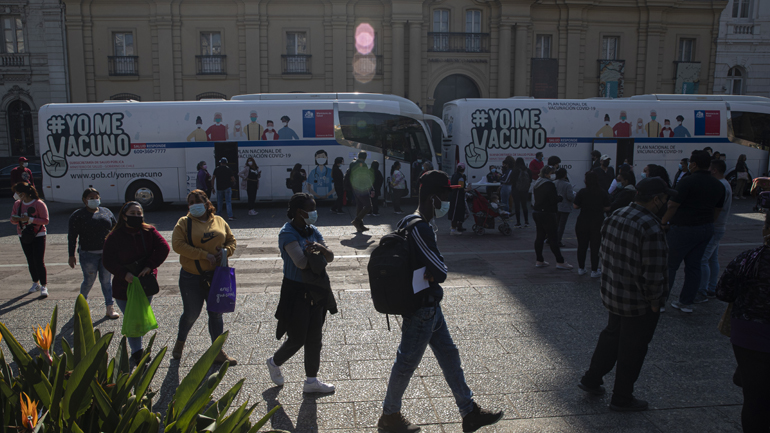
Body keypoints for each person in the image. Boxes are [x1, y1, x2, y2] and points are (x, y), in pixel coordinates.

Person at [377, 171, 503, 433]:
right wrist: (436, 266)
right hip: (422, 308)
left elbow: (431, 267)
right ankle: (389, 415)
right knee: (406, 362)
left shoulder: (407, 219)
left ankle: (469, 411)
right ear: (434, 198)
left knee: (449, 356)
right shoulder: (420, 227)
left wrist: (433, 267)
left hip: (429, 305)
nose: (448, 200)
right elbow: (441, 270)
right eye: (446, 195)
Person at [578, 177, 673, 412]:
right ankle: (622, 397)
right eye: (664, 198)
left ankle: (591, 378)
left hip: (614, 293)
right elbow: (654, 271)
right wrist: (656, 302)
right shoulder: (651, 226)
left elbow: (603, 252)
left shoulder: (617, 215)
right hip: (638, 301)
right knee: (633, 348)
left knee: (611, 337)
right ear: (656, 199)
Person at [266, 193, 337, 393]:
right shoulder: (287, 233)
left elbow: (330, 257)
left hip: (316, 289)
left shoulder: (312, 230)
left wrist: (321, 249)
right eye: (311, 208)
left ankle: (311, 380)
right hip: (295, 290)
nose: (314, 213)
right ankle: (274, 361)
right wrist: (317, 253)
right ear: (299, 211)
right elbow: (301, 263)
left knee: (315, 337)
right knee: (297, 338)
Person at [170, 190, 237, 365]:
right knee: (191, 314)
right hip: (191, 277)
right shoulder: (184, 222)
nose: (194, 205)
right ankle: (180, 343)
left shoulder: (220, 221)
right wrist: (203, 255)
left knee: (216, 314)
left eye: (197, 201)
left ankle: (218, 351)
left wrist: (224, 253)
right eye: (190, 202)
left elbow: (231, 241)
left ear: (207, 203)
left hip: (216, 276)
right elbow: (177, 245)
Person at [103, 201, 170, 364]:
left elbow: (164, 248)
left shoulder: (149, 231)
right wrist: (123, 274)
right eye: (132, 213)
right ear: (124, 216)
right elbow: (107, 260)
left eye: (139, 213)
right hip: (123, 286)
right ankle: (137, 351)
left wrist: (150, 265)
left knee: (138, 318)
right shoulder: (114, 236)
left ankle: (137, 349)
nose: (136, 216)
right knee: (132, 318)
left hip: (145, 283)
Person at [716, 236, 770, 433]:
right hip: (752, 336)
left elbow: (723, 292)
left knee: (754, 398)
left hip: (748, 335)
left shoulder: (749, 258)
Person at [661, 150, 725, 314]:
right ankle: (686, 302)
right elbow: (717, 210)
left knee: (670, 265)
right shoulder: (718, 184)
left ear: (694, 164)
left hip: (683, 227)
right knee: (694, 266)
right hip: (706, 228)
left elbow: (672, 205)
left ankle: (661, 301)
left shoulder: (687, 181)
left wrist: (663, 222)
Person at [68, 188, 119, 319]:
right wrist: (71, 255)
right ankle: (81, 306)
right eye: (91, 198)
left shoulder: (106, 212)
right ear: (84, 200)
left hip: (106, 254)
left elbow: (116, 229)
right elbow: (72, 236)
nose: (94, 200)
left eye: (96, 197)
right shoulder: (78, 215)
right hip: (88, 254)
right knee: (89, 281)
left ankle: (110, 308)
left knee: (106, 281)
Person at [697, 159, 732, 302]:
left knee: (703, 259)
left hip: (715, 226)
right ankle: (711, 287)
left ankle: (702, 290)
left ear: (714, 170)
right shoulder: (726, 184)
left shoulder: (720, 186)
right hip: (720, 226)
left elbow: (716, 209)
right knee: (712, 259)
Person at [11, 182, 49, 298]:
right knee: (30, 260)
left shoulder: (39, 203)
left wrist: (30, 219)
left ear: (23, 193)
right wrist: (16, 219)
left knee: (39, 260)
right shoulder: (17, 204)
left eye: (17, 193)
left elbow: (45, 220)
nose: (15, 195)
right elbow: (12, 219)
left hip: (38, 234)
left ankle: (44, 285)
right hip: (23, 234)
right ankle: (35, 282)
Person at [530, 166, 573, 270]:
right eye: (552, 173)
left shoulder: (537, 183)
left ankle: (539, 260)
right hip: (548, 213)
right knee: (553, 237)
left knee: (540, 236)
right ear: (546, 174)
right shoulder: (549, 184)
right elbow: (553, 199)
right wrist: (560, 198)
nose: (553, 175)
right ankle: (560, 261)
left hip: (537, 211)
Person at [574, 171, 610, 277]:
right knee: (595, 246)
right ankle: (594, 270)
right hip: (597, 221)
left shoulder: (582, 192)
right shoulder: (602, 192)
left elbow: (576, 206)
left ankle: (581, 268)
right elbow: (608, 207)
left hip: (583, 220)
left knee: (582, 246)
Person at [349, 151, 374, 232]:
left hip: (354, 187)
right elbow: (367, 177)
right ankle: (357, 221)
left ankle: (360, 226)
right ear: (365, 157)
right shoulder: (363, 164)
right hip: (362, 188)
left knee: (359, 206)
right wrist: (371, 188)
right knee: (368, 205)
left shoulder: (352, 163)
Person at [554, 168, 574, 247]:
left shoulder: (554, 183)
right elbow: (570, 197)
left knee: (556, 223)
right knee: (562, 225)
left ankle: (552, 238)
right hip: (565, 206)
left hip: (557, 205)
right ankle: (558, 240)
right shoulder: (567, 184)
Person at [449, 162, 468, 235]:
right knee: (456, 212)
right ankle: (453, 230)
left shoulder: (454, 175)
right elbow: (461, 188)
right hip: (458, 197)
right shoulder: (461, 177)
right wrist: (468, 189)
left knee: (453, 211)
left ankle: (453, 227)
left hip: (452, 195)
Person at [511, 157, 531, 228]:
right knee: (524, 205)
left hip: (516, 190)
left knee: (517, 206)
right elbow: (530, 180)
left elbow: (512, 180)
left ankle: (518, 222)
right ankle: (526, 221)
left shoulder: (515, 170)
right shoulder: (527, 170)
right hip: (525, 190)